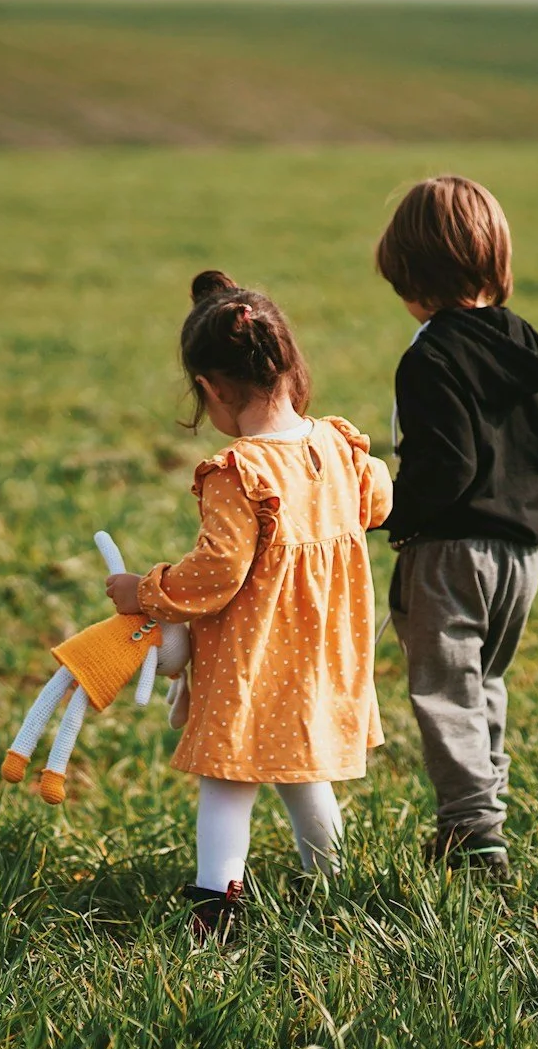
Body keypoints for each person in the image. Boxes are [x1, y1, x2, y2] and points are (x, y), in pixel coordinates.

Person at [106, 269, 393, 939]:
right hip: (323, 658)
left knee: (226, 784)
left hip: (253, 661)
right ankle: (332, 887)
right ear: (292, 369)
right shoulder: (343, 449)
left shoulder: (241, 473)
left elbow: (216, 572)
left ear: (209, 388)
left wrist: (144, 590)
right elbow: (379, 502)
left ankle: (216, 907)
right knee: (303, 775)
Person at [374, 177, 538, 881]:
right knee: (484, 679)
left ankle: (473, 832)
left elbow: (446, 463)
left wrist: (389, 509)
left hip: (450, 552)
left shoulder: (430, 356)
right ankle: (484, 813)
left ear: (412, 275)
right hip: (523, 554)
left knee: (445, 688)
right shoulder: (529, 348)